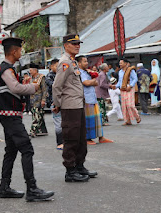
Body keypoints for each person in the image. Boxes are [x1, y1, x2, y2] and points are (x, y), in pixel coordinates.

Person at [0, 37, 54, 201]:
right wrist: (32, 87)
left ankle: (4, 187)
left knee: (11, 151)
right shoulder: (6, 69)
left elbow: (12, 88)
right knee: (27, 149)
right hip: (10, 116)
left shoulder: (8, 69)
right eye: (20, 50)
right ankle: (32, 189)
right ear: (14, 51)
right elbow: (15, 88)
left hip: (9, 115)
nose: (21, 52)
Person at [52, 34, 97, 182]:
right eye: (74, 43)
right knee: (71, 138)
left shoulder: (73, 62)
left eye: (78, 43)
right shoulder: (64, 62)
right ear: (65, 45)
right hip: (70, 106)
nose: (77, 46)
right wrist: (57, 104)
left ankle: (79, 166)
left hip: (78, 105)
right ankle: (70, 170)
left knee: (80, 138)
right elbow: (57, 85)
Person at [77, 56, 113, 145]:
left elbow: (95, 82)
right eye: (84, 61)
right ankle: (88, 138)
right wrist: (92, 81)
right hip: (86, 99)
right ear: (79, 63)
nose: (86, 63)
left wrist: (92, 81)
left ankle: (101, 137)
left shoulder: (87, 72)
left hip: (93, 97)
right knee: (89, 120)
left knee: (97, 118)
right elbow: (85, 83)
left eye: (86, 61)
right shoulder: (78, 72)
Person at [115, 58, 141, 126]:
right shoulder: (120, 72)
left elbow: (135, 79)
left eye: (121, 63)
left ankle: (137, 116)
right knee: (124, 106)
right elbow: (120, 82)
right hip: (122, 89)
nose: (120, 64)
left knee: (130, 105)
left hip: (129, 88)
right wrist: (115, 86)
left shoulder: (130, 70)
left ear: (126, 63)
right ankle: (127, 120)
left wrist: (131, 85)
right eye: (119, 63)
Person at [45, 58, 63, 150]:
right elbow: (54, 86)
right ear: (51, 66)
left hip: (64, 101)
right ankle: (59, 143)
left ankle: (66, 142)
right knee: (58, 123)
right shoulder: (49, 76)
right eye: (56, 66)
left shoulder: (62, 75)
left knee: (65, 122)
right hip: (54, 101)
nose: (59, 68)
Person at [29, 63, 48, 137]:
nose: (30, 72)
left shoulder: (41, 77)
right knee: (38, 115)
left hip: (39, 100)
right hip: (32, 100)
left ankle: (32, 131)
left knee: (36, 116)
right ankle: (41, 130)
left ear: (35, 70)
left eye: (30, 70)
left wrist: (43, 100)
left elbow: (44, 89)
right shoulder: (31, 78)